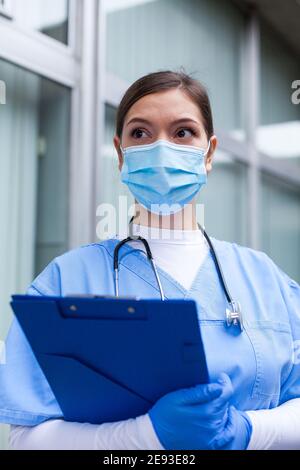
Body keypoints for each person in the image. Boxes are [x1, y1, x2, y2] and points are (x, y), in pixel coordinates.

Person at [1, 70, 300, 450]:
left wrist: (248, 432)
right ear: (120, 154)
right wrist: (146, 435)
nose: (162, 148)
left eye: (182, 132)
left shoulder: (265, 280)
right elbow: (25, 439)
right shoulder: (66, 280)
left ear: (209, 153)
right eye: (140, 133)